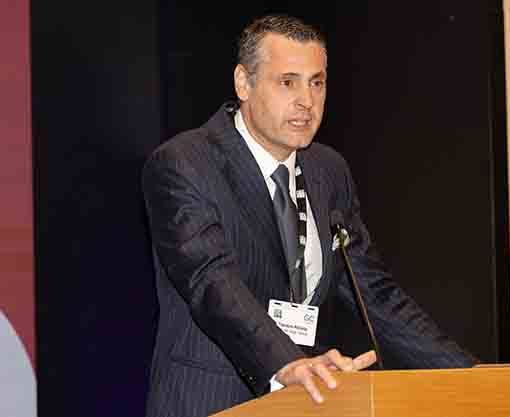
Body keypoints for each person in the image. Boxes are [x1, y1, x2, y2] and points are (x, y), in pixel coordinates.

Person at [142, 14, 476, 417]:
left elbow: (374, 295)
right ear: (243, 83)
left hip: (306, 401)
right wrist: (288, 364)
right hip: (211, 401)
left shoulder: (328, 171)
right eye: (288, 82)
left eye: (316, 83)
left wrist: (467, 376)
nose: (306, 101)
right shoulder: (185, 164)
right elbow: (212, 282)